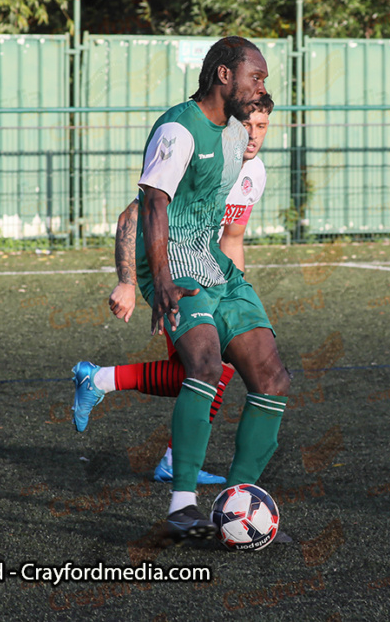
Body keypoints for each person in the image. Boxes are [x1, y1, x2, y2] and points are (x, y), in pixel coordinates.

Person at [77, 37, 290, 543]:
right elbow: (150, 205)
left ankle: (239, 504)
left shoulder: (237, 135)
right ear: (223, 75)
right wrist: (148, 280)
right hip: (173, 263)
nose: (261, 86)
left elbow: (222, 222)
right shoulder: (178, 127)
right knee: (204, 368)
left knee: (273, 377)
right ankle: (181, 505)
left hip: (214, 265)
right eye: (255, 76)